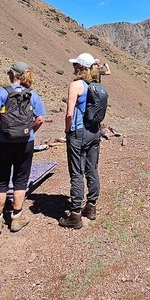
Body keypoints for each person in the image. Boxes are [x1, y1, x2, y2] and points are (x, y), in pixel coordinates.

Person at [0, 61, 46, 235]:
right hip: (25, 143)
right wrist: (30, 132)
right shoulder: (32, 94)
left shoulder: (2, 92)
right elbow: (40, 119)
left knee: (0, 181)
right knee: (21, 180)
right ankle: (16, 219)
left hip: (2, 142)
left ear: (12, 74)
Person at [59, 52, 103, 229]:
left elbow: (69, 113)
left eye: (75, 65)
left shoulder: (76, 85)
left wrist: (67, 130)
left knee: (77, 172)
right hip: (95, 132)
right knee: (92, 168)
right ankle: (91, 207)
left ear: (81, 67)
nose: (73, 68)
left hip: (78, 132)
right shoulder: (97, 85)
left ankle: (75, 215)